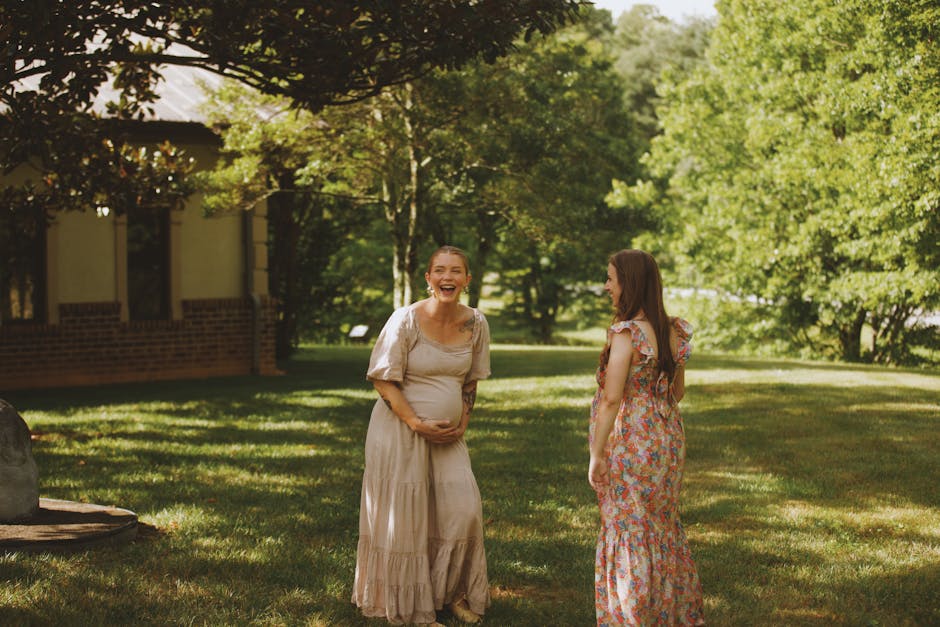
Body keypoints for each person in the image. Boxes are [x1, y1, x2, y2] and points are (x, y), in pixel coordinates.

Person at [352, 246, 491, 626]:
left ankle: (451, 593)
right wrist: (415, 422)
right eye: (440, 270)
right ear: (428, 279)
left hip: (448, 437)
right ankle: (413, 608)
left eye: (456, 271)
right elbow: (382, 378)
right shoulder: (405, 320)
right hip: (400, 431)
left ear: (467, 279)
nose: (448, 277)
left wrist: (462, 423)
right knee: (408, 521)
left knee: (463, 511)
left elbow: (470, 381)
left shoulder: (476, 323)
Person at [588, 249, 705, 626]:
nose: (607, 286)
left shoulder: (628, 334)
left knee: (629, 529)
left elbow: (612, 398)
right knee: (660, 526)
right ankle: (669, 614)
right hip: (666, 439)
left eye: (611, 279)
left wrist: (596, 453)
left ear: (630, 283)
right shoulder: (673, 331)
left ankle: (633, 616)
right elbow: (677, 392)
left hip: (631, 442)